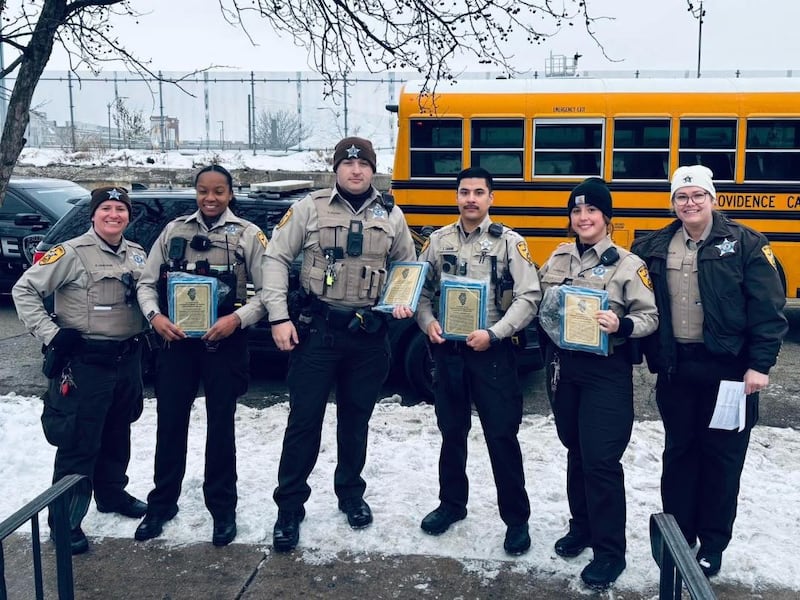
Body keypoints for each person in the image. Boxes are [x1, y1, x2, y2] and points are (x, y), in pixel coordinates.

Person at [631, 165, 787, 578]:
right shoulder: (654, 245)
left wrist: (759, 365)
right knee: (680, 453)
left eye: (698, 195)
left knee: (721, 459)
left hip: (730, 372)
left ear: (713, 199)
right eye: (681, 197)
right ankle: (679, 535)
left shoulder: (747, 244)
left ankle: (713, 543)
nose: (690, 203)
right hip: (677, 369)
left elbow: (768, 309)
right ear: (672, 203)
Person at [262, 137, 416, 552]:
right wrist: (278, 316)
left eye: (364, 164)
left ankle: (350, 494)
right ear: (336, 169)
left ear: (373, 169)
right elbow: (274, 258)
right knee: (303, 422)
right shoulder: (309, 208)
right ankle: (289, 506)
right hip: (319, 333)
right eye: (348, 164)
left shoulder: (391, 213)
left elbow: (406, 264)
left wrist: (402, 300)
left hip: (368, 336)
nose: (356, 171)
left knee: (356, 421)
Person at [134, 164, 268, 546]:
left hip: (224, 344)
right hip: (176, 344)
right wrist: (155, 317)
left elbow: (267, 292)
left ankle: (222, 508)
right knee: (170, 425)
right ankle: (162, 504)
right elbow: (146, 283)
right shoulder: (173, 230)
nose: (210, 198)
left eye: (219, 191)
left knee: (221, 429)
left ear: (230, 193)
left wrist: (237, 320)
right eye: (204, 191)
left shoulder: (247, 235)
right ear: (196, 192)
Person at [12, 186, 149, 555]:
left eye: (120, 209)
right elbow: (24, 289)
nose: (113, 215)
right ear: (93, 213)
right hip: (85, 362)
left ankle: (111, 494)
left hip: (127, 359)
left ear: (127, 215)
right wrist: (52, 335)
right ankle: (65, 520)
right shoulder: (71, 252)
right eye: (106, 208)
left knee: (118, 432)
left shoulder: (137, 254)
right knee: (79, 441)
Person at [538, 178, 658, 590]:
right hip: (564, 369)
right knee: (575, 450)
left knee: (602, 461)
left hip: (606, 371)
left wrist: (622, 323)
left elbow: (650, 317)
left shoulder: (628, 264)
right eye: (576, 211)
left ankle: (610, 551)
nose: (583, 218)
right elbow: (540, 299)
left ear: (606, 218)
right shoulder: (558, 256)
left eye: (591, 211)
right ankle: (582, 527)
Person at [415, 166, 540, 556]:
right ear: (456, 197)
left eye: (479, 192)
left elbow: (529, 296)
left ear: (491, 198)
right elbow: (419, 290)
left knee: (501, 436)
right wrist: (428, 321)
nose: (471, 198)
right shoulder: (437, 242)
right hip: (448, 352)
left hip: (492, 353)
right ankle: (452, 504)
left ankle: (516, 520)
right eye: (465, 192)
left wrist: (497, 332)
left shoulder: (509, 244)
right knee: (451, 432)